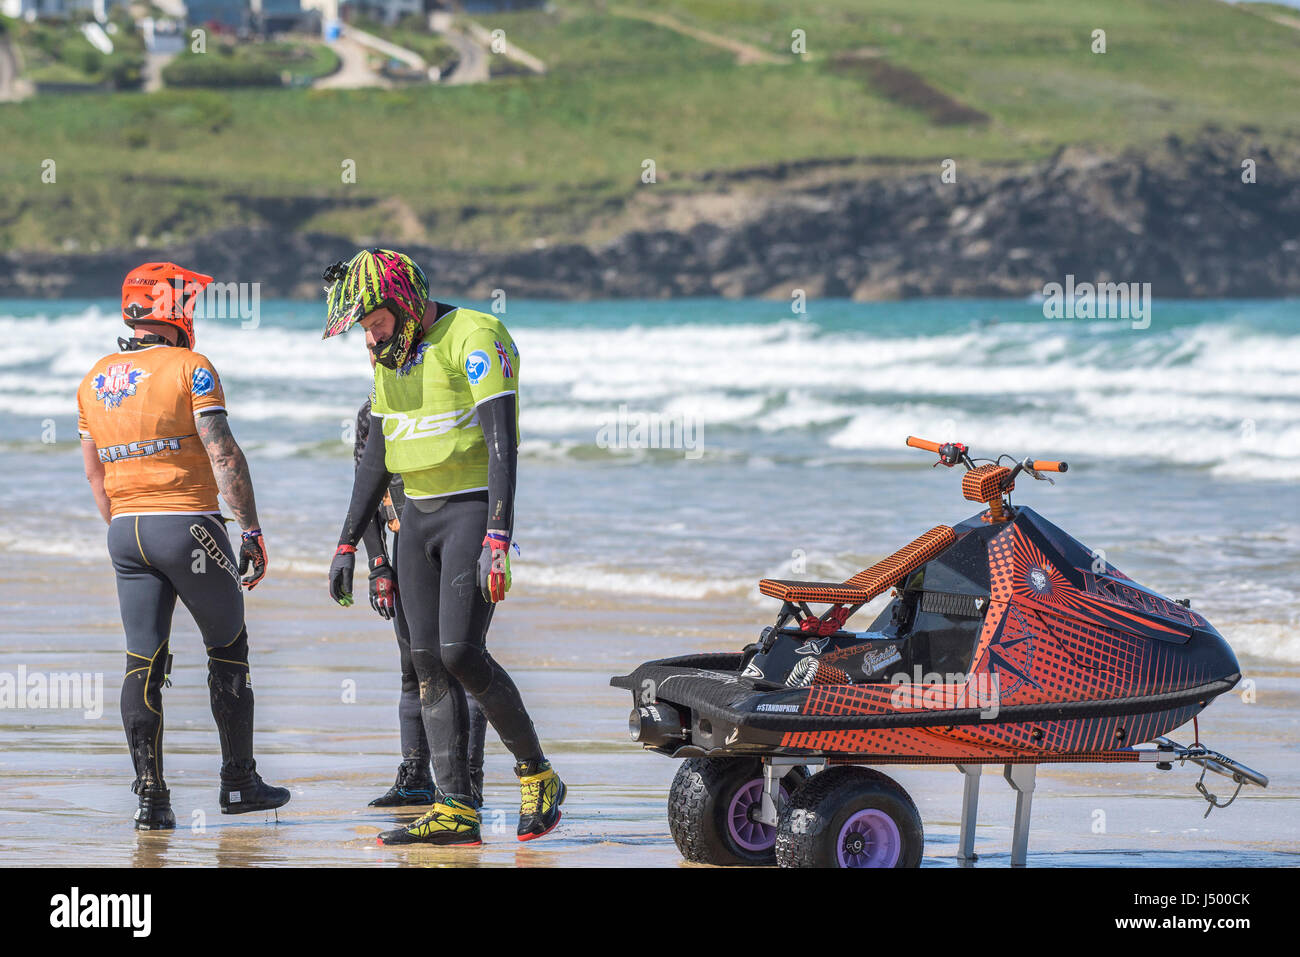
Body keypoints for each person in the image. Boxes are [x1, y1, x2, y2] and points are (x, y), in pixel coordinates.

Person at [323, 248, 564, 846]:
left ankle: (537, 773)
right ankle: (456, 809)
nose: (370, 335)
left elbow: (503, 442)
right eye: (364, 327)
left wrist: (499, 536)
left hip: (471, 511)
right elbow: (376, 455)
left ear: (404, 302)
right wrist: (347, 543)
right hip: (414, 520)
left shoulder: (476, 336)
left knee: (460, 653)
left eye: (374, 321)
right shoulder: (390, 355)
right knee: (426, 662)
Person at [77, 261, 290, 830]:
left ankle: (152, 799)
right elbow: (224, 456)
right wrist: (250, 530)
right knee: (228, 647)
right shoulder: (193, 369)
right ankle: (239, 784)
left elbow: (96, 476)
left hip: (126, 532)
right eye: (189, 304)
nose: (194, 314)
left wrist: (126, 530)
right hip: (190, 527)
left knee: (142, 660)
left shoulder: (94, 379)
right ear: (171, 309)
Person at [352, 395, 488, 808]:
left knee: (461, 661)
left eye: (382, 335)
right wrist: (378, 564)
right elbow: (366, 487)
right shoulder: (371, 413)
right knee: (414, 667)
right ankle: (415, 777)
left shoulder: (450, 400)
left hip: (457, 539)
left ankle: (467, 781)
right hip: (404, 541)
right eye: (369, 342)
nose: (376, 349)